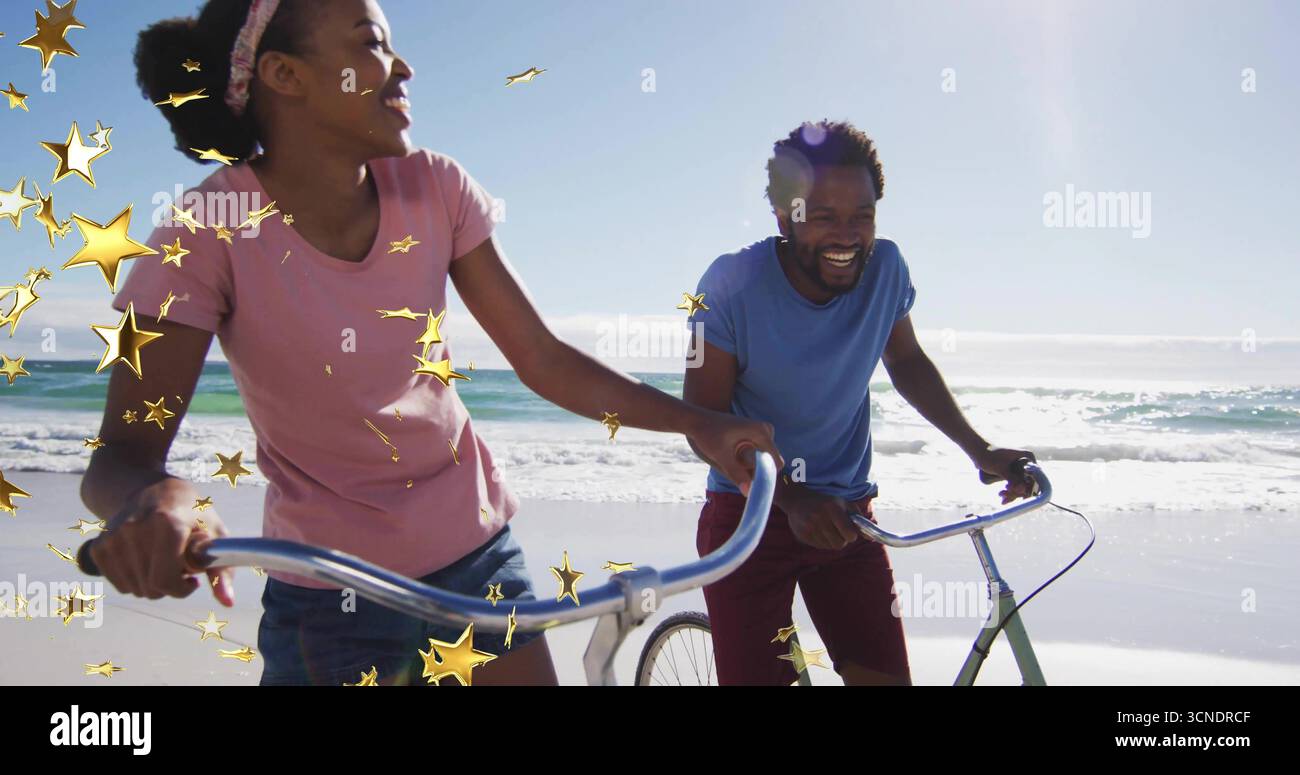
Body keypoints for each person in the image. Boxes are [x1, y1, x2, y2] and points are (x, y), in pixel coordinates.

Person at [79, 0, 781, 687]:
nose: (405, 66)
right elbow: (121, 455)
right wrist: (163, 499)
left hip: (478, 562)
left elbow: (539, 356)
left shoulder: (437, 187)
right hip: (328, 597)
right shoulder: (206, 226)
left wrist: (698, 425)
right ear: (285, 75)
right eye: (372, 42)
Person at [683, 120, 1036, 686]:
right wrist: (791, 498)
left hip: (847, 522)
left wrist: (981, 448)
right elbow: (702, 423)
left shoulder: (887, 269)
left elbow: (908, 362)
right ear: (784, 216)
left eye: (862, 216)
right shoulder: (727, 286)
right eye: (824, 217)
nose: (847, 236)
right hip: (747, 522)